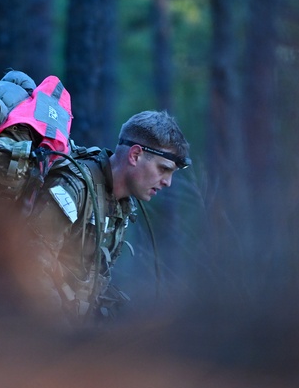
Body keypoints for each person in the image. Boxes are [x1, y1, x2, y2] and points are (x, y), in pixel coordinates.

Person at [23, 110, 190, 321]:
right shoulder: (73, 187)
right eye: (163, 169)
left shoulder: (121, 203)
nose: (168, 182)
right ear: (135, 155)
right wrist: (62, 335)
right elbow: (31, 267)